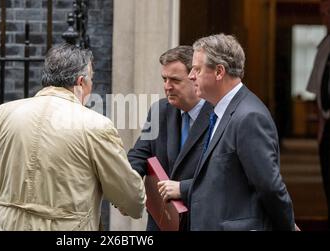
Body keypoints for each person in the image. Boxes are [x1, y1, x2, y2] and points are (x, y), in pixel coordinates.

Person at [0, 43, 146, 231]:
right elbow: (130, 197)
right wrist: (135, 204)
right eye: (91, 80)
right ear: (80, 82)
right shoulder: (96, 125)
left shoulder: (4, 113)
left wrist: (2, 221)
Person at [186, 34, 295, 231]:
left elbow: (269, 187)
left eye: (197, 69)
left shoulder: (249, 117)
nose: (190, 76)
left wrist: (287, 226)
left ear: (219, 71)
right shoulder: (218, 111)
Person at [127, 46, 213, 231]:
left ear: (195, 77)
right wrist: (126, 187)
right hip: (162, 221)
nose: (167, 86)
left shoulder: (219, 115)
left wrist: (183, 188)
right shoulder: (160, 110)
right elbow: (139, 155)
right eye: (164, 79)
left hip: (201, 221)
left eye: (174, 80)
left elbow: (224, 176)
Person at [306, 0, 330, 229]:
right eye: (322, 11)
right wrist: (321, 126)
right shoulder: (324, 46)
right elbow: (318, 89)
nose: (324, 15)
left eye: (328, 10)